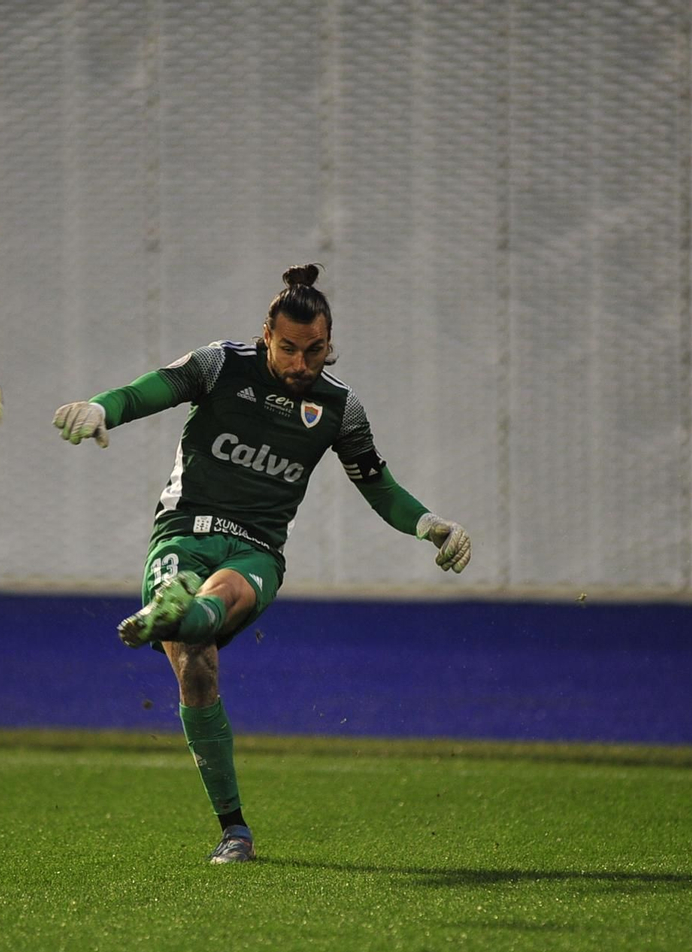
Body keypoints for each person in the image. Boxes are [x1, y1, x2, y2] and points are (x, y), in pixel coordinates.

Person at [52, 264, 472, 864]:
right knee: (197, 670)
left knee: (212, 609)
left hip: (256, 550)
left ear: (329, 343)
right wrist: (101, 408)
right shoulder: (220, 366)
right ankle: (235, 831)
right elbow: (150, 390)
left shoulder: (340, 408)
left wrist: (430, 524)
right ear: (266, 336)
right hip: (185, 530)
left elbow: (378, 485)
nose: (302, 363)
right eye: (289, 349)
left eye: (315, 350)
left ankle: (175, 608)